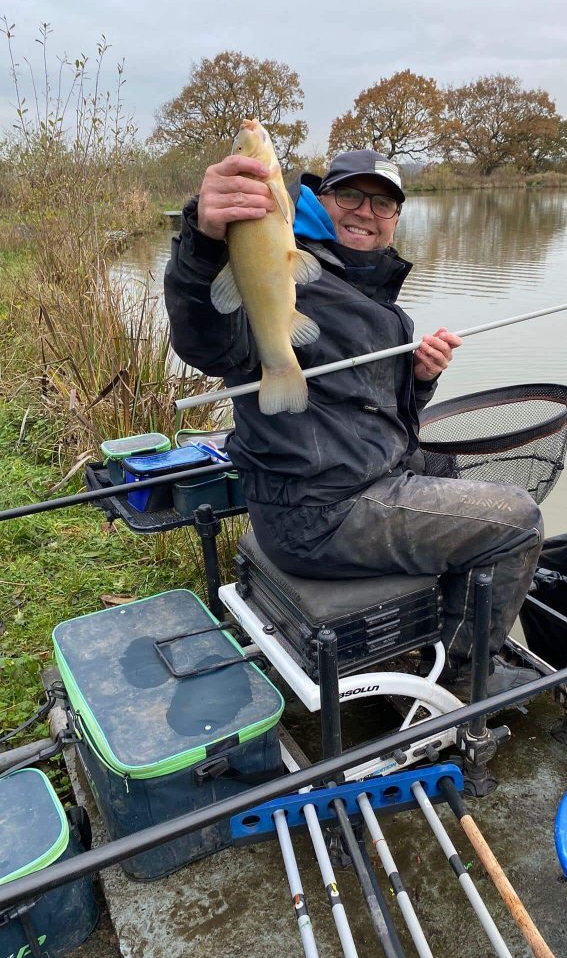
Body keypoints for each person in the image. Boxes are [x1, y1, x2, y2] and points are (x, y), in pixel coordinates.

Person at [164, 147, 543, 701]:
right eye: (350, 196)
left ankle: (425, 639)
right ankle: (470, 678)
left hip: (337, 488)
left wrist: (416, 379)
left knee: (441, 462)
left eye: (383, 202)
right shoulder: (279, 266)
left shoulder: (379, 302)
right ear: (316, 201)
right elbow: (206, 339)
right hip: (319, 513)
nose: (366, 211)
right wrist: (201, 239)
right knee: (519, 521)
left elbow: (375, 414)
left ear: (395, 218)